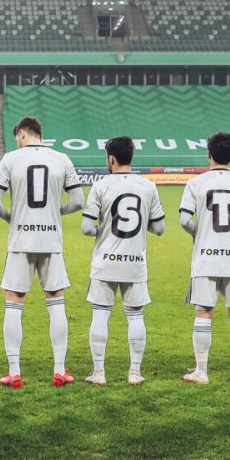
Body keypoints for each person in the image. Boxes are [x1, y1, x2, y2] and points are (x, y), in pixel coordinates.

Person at [0, 116, 84, 388]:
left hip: (21, 240)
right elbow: (78, 201)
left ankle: (15, 372)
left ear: (21, 134)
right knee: (56, 301)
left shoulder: (10, 159)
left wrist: (12, 217)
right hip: (50, 241)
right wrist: (55, 212)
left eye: (16, 137)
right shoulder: (61, 159)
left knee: (14, 302)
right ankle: (59, 370)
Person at [179, 132, 230, 385]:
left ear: (209, 153)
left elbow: (184, 220)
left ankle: (201, 372)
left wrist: (201, 234)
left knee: (204, 312)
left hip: (205, 257)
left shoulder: (196, 183)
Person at [81, 136, 166, 386]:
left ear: (111, 158)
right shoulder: (148, 186)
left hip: (105, 261)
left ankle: (99, 374)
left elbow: (86, 227)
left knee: (100, 314)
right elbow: (159, 228)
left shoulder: (100, 186)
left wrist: (103, 230)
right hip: (135, 262)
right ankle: (134, 373)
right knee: (135, 315)